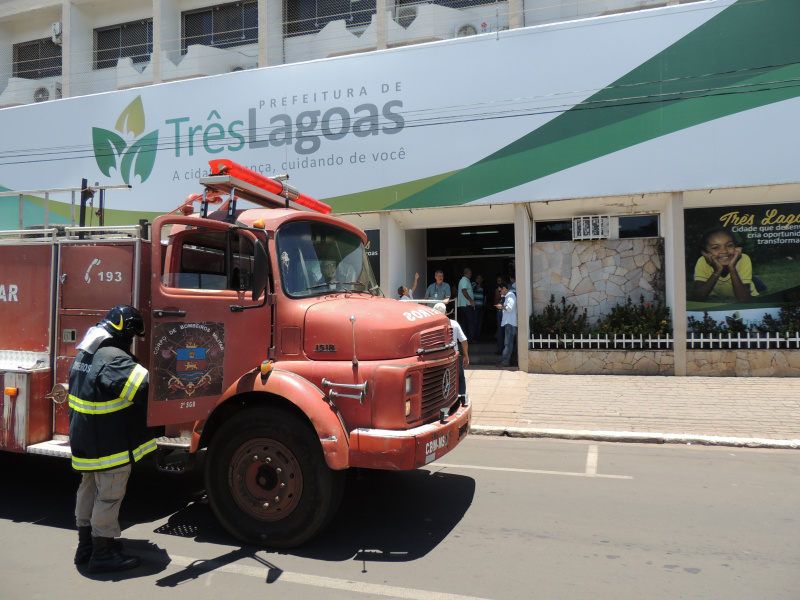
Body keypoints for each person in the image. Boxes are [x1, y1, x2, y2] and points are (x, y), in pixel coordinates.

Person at [69, 305, 157, 573]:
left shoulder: (86, 352)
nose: (132, 342)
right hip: (108, 442)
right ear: (126, 332)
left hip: (86, 440)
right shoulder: (113, 358)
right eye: (132, 336)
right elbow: (145, 389)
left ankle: (86, 548)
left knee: (88, 490)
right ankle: (103, 554)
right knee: (108, 495)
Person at [691, 228, 758, 302]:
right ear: (705, 253)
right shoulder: (702, 261)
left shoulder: (744, 258)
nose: (724, 251)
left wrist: (732, 267)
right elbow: (697, 298)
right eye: (716, 247)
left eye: (729, 245)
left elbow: (743, 299)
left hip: (745, 286)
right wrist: (718, 270)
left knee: (758, 284)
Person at [433, 302, 469, 396]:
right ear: (445, 312)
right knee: (460, 377)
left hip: (438, 357)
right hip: (453, 355)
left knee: (440, 380)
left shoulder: (431, 326)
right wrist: (465, 355)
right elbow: (464, 340)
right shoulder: (454, 323)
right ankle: (462, 397)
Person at [495, 282, 517, 367]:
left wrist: (501, 307)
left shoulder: (511, 296)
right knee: (508, 343)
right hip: (509, 323)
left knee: (508, 344)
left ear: (504, 288)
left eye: (500, 291)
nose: (500, 293)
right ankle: (505, 361)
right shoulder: (508, 296)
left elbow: (509, 308)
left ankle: (505, 361)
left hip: (510, 323)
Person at [456, 267, 476, 342]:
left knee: (464, 322)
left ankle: (464, 338)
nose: (471, 276)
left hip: (463, 305)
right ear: (467, 274)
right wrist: (471, 300)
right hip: (466, 305)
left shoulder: (463, 280)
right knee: (470, 321)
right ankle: (470, 338)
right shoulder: (465, 280)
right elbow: (464, 291)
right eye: (470, 274)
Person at [493, 275, 507, 355]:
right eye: (498, 280)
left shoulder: (505, 290)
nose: (500, 281)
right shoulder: (498, 290)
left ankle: (503, 349)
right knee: (501, 330)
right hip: (500, 310)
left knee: (503, 330)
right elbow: (497, 299)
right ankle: (501, 349)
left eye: (501, 280)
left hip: (504, 309)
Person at [472, 274, 486, 342]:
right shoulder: (473, 284)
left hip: (481, 307)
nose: (479, 279)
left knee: (479, 323)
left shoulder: (484, 286)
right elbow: (475, 288)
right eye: (478, 278)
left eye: (481, 278)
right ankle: (474, 338)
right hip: (475, 308)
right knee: (475, 322)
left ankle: (478, 338)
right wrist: (479, 285)